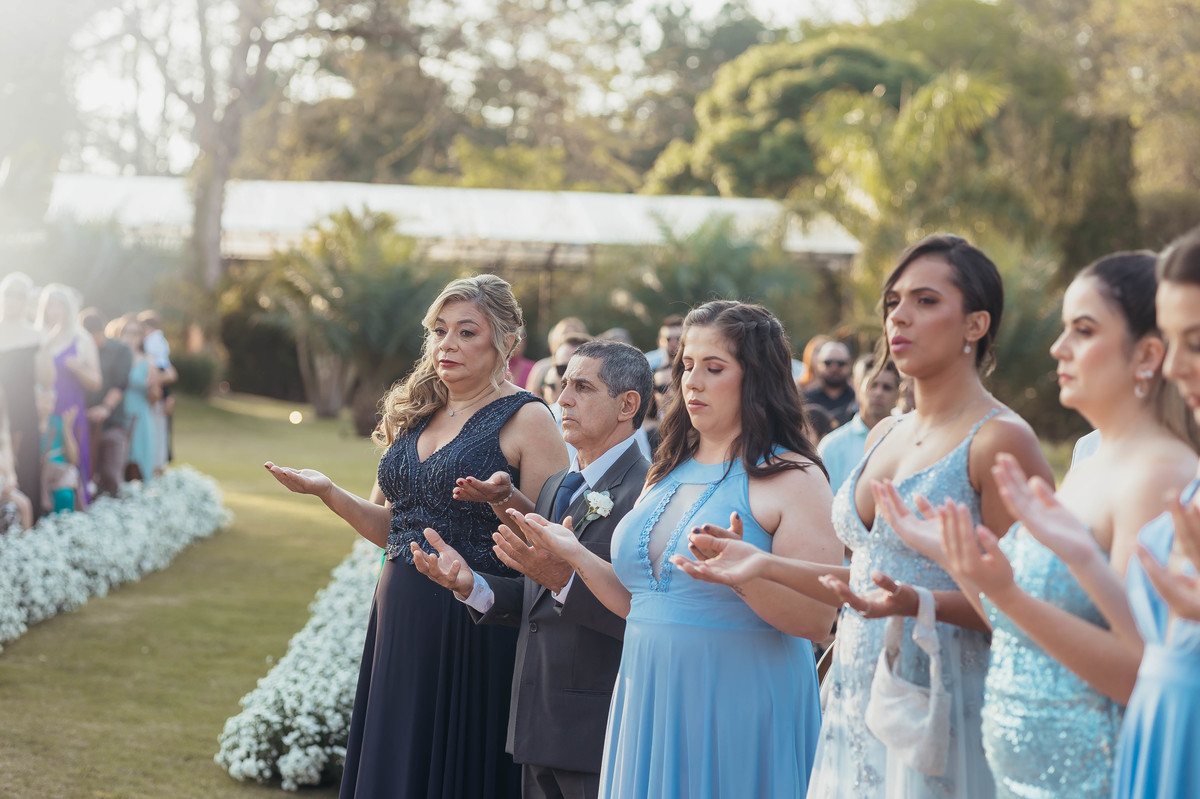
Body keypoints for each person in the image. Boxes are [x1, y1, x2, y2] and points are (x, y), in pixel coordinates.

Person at [679, 235, 1053, 798]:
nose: (899, 316)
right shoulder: (884, 433)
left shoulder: (1000, 439)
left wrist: (918, 603)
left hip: (942, 704)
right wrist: (760, 565)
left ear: (976, 324)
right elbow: (868, 581)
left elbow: (1031, 609)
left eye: (925, 301)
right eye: (892, 302)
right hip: (856, 695)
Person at [888, 251, 1199, 798]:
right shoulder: (1088, 455)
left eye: (1083, 330)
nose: (1059, 349)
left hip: (1092, 775)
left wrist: (1005, 592)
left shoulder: (1161, 475)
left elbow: (1141, 669)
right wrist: (961, 565)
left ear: (1147, 354)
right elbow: (1017, 631)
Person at [508, 300, 843, 798]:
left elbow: (817, 621)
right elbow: (637, 602)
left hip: (734, 702)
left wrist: (743, 577)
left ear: (757, 378)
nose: (693, 381)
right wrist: (574, 554)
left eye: (714, 367)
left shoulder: (793, 476)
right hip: (646, 697)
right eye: (687, 365)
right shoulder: (666, 469)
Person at [265, 274, 568, 799]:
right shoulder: (417, 411)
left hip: (474, 622)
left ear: (505, 343)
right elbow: (391, 528)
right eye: (439, 330)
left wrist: (501, 500)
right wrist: (328, 491)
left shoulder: (530, 418)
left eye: (466, 332)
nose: (447, 344)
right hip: (399, 617)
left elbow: (551, 544)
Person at [414, 339, 652, 799]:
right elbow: (536, 599)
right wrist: (470, 585)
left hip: (599, 731)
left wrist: (563, 579)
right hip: (534, 724)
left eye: (582, 387)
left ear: (628, 405)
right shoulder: (558, 486)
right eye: (564, 385)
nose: (562, 399)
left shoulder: (647, 494)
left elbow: (644, 615)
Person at [37, 284, 101, 505]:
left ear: (69, 310)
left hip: (69, 410)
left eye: (60, 306)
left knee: (72, 459)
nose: (54, 311)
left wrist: (77, 368)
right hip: (41, 410)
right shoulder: (38, 337)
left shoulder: (81, 339)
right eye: (50, 306)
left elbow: (96, 382)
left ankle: (75, 509)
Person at [0, 272, 52, 518]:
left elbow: (46, 379)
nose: (13, 300)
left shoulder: (36, 335)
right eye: (8, 293)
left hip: (24, 411)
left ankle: (27, 529)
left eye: (19, 295)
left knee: (26, 467)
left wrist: (45, 351)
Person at [817, 355, 900, 493]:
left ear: (898, 393)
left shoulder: (909, 439)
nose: (879, 393)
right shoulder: (831, 446)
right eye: (872, 385)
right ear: (856, 386)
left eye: (887, 387)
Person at [81, 309, 133, 497]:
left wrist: (105, 408)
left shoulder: (121, 350)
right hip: (84, 420)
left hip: (112, 420)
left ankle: (111, 503)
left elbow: (120, 385)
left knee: (110, 472)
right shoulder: (82, 351)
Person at [120, 318, 161, 483]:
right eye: (127, 332)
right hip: (120, 412)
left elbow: (155, 397)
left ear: (141, 337)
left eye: (135, 333)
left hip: (140, 413)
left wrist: (152, 387)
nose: (131, 337)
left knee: (138, 457)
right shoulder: (117, 357)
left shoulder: (148, 361)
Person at [35, 385, 81, 513]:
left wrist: (67, 429)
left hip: (59, 476)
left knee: (66, 494)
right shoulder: (29, 425)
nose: (45, 406)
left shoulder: (58, 423)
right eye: (41, 401)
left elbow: (74, 459)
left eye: (49, 402)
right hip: (37, 475)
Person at [526, 317, 589, 394]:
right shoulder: (542, 367)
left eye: (575, 334)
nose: (569, 337)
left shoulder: (590, 368)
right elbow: (531, 394)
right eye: (565, 334)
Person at [802, 340, 857, 428]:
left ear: (849, 365)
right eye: (828, 363)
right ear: (818, 364)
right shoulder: (805, 400)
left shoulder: (857, 400)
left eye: (841, 363)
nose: (834, 368)